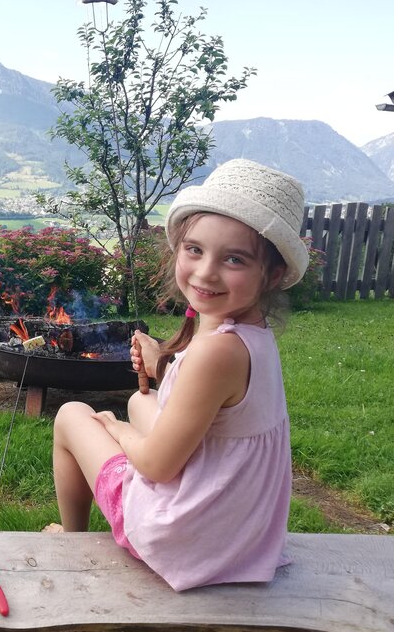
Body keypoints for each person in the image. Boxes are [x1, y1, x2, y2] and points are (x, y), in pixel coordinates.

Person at [51, 158, 309, 591]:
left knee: (72, 416)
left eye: (234, 259)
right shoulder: (250, 336)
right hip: (239, 535)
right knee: (140, 400)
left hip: (186, 541)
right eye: (195, 250)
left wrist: (115, 429)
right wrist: (160, 366)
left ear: (273, 275)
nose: (206, 272)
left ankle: (71, 539)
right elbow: (211, 403)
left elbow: (157, 465)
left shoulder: (215, 352)